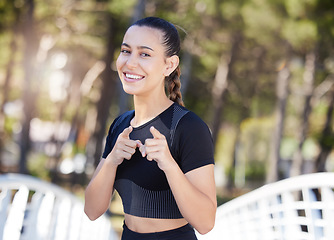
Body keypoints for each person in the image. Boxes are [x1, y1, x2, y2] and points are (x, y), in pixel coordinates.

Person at [84, 16, 216, 240]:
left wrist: (169, 165)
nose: (131, 62)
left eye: (144, 54)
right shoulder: (120, 126)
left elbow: (205, 223)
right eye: (126, 51)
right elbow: (92, 210)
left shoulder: (188, 127)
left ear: (169, 65)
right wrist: (112, 160)